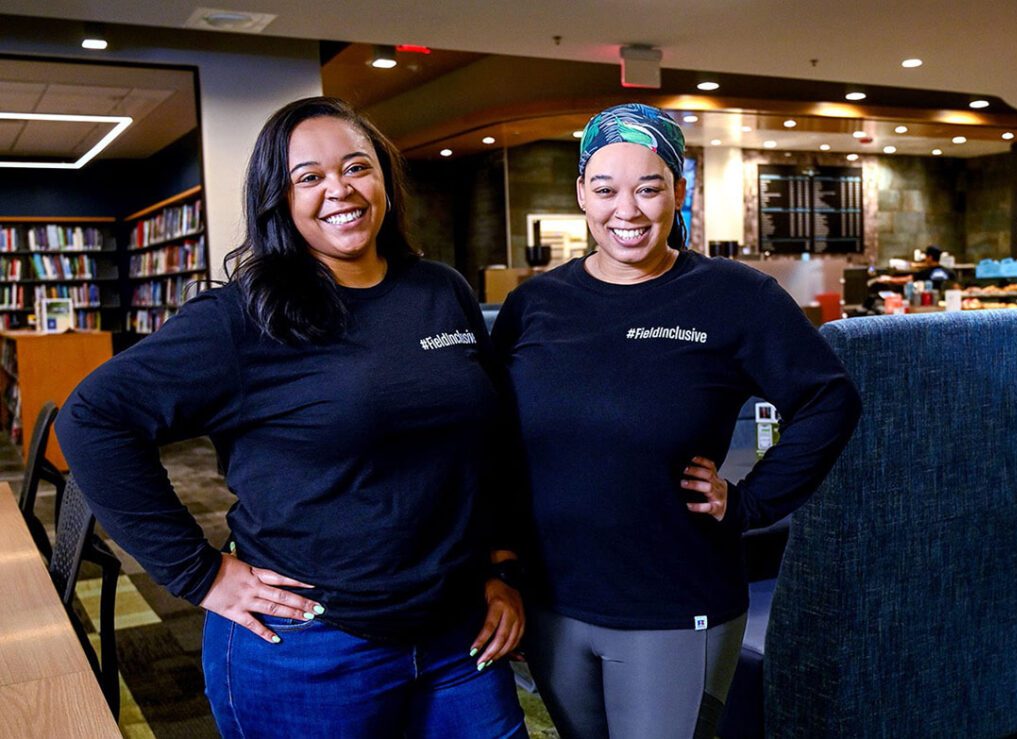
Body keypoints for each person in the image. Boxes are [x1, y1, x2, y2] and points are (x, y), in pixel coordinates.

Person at [56, 97, 528, 738]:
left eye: (357, 166)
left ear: (384, 177)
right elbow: (92, 419)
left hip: (458, 635)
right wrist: (198, 574)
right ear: (279, 199)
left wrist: (498, 569)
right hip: (311, 647)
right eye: (309, 177)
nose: (340, 189)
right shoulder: (243, 316)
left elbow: (490, 444)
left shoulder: (439, 290)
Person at [491, 103, 861, 739]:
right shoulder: (535, 304)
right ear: (581, 192)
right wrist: (502, 572)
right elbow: (494, 441)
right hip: (554, 602)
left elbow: (829, 401)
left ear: (680, 190)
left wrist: (751, 502)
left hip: (673, 600)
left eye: (649, 186)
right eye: (605, 188)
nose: (626, 210)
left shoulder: (733, 296)